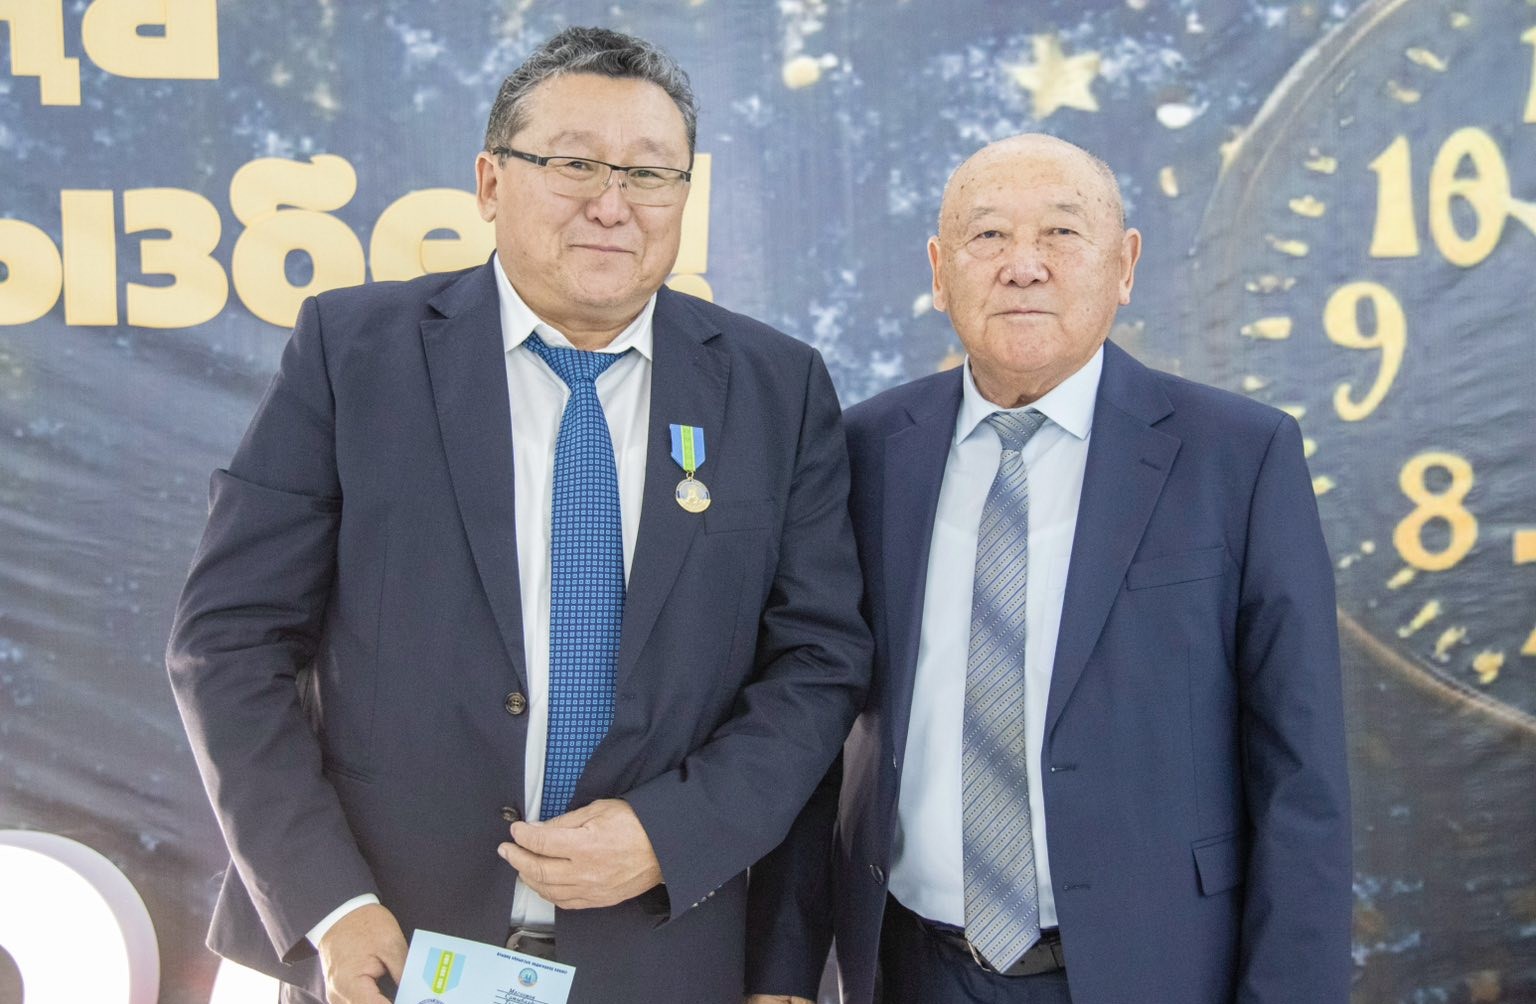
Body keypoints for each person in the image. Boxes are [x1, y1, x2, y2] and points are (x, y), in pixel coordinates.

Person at [166, 27, 869, 1004]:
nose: (612, 203)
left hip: (662, 953)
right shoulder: (353, 352)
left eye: (649, 173)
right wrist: (331, 904)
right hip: (389, 949)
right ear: (491, 182)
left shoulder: (776, 388)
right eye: (574, 163)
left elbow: (818, 663)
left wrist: (676, 831)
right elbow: (229, 642)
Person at [763, 134, 1353, 1003]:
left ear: (1125, 264)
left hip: (1158, 971)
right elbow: (809, 718)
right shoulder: (865, 450)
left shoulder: (1238, 456)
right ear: (939, 271)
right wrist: (781, 968)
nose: (1023, 266)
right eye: (988, 236)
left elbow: (1301, 772)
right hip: (911, 968)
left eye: (1062, 234)